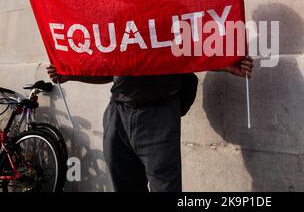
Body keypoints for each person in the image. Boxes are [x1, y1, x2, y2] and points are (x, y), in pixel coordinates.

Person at [46, 56, 253, 192]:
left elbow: (193, 53)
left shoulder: (171, 14)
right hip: (117, 115)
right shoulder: (118, 18)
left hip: (158, 115)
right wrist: (70, 74)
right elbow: (110, 70)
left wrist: (226, 63)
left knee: (165, 188)